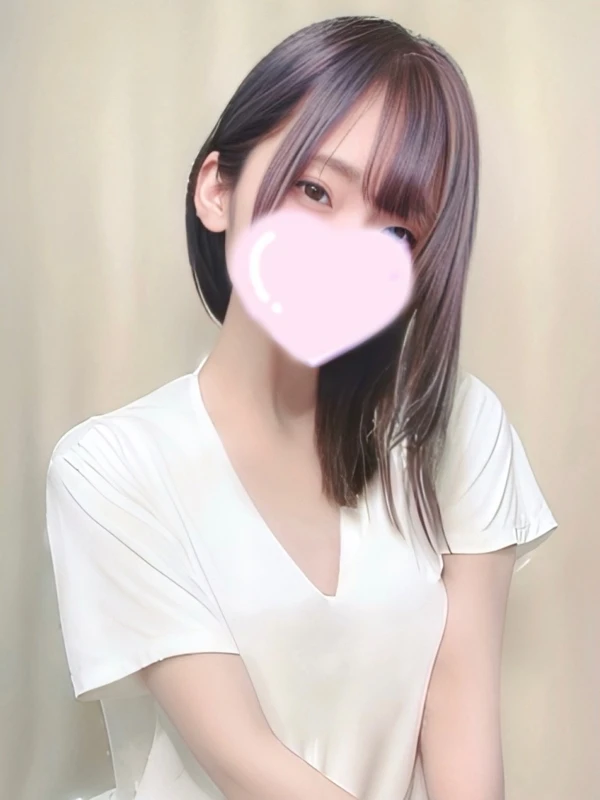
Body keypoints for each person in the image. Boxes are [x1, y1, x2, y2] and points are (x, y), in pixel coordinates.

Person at [45, 15, 558, 800]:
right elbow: (244, 762)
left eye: (396, 231)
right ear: (217, 190)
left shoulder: (454, 427)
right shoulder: (112, 467)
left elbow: (460, 714)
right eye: (315, 191)